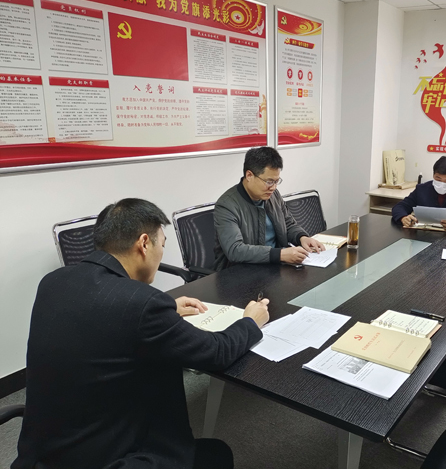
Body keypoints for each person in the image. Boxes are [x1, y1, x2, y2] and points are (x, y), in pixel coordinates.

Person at [13, 198, 269, 469]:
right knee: (217, 454)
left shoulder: (54, 281)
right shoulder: (141, 304)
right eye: (162, 245)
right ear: (144, 243)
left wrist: (168, 307)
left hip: (43, 455)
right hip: (110, 459)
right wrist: (250, 322)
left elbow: (100, 316)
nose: (161, 254)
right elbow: (215, 353)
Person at [213, 147, 325, 271]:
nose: (273, 187)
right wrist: (280, 255)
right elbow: (235, 250)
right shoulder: (227, 206)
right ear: (249, 175)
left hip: (274, 267)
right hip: (240, 272)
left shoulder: (273, 195)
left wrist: (302, 237)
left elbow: (288, 224)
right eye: (269, 181)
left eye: (277, 181)